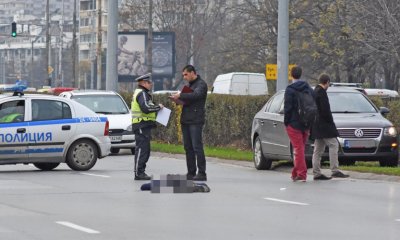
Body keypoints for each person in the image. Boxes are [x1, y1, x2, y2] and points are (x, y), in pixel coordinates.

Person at [170, 65, 208, 181]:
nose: (184, 77)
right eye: (183, 75)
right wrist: (177, 100)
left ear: (193, 73)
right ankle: (191, 172)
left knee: (197, 147)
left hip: (195, 120)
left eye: (186, 74)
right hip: (186, 119)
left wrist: (181, 95)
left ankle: (202, 173)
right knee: (188, 147)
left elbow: (196, 95)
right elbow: (188, 100)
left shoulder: (201, 84)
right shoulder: (189, 85)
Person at [312, 74, 349, 180]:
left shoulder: (314, 91)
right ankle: (335, 170)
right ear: (327, 82)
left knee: (318, 150)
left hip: (316, 125)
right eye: (329, 84)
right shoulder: (322, 93)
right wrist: (331, 122)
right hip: (325, 125)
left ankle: (316, 172)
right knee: (334, 144)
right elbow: (325, 110)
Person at [284, 66, 314, 182]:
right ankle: (295, 173)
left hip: (294, 123)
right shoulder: (307, 87)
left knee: (298, 149)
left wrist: (286, 122)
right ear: (301, 74)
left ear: (291, 75)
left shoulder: (290, 89)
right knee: (300, 148)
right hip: (306, 123)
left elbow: (288, 108)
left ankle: (302, 174)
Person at [131, 73, 164, 180]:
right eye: (149, 82)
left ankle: (141, 172)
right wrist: (157, 108)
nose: (151, 84)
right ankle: (138, 173)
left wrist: (155, 106)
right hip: (141, 124)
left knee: (145, 149)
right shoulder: (142, 93)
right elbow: (145, 108)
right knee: (142, 149)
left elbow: (147, 106)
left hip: (143, 125)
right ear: (144, 83)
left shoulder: (142, 93)